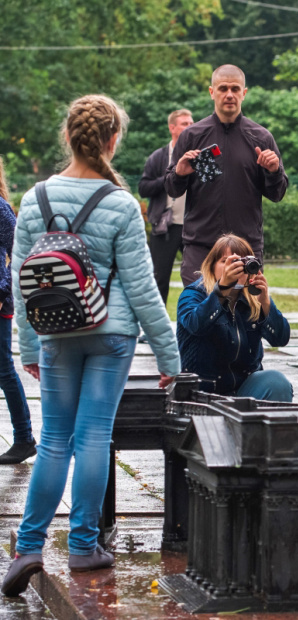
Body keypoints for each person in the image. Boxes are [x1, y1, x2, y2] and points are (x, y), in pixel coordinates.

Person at [1, 95, 180, 596]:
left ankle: (29, 547)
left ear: (69, 137)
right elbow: (144, 290)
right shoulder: (121, 203)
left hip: (56, 334)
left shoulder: (36, 198)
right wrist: (169, 357)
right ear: (112, 140)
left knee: (54, 440)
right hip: (111, 335)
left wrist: (29, 348)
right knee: (94, 437)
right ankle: (83, 546)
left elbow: (20, 281)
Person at [165, 65, 288, 285]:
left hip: (246, 246)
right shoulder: (192, 136)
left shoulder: (261, 137)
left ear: (244, 93)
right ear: (212, 92)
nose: (229, 94)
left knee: (244, 315)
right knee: (198, 314)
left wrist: (273, 171)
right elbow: (172, 189)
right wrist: (179, 173)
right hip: (200, 247)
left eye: (235, 88)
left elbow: (277, 194)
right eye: (223, 88)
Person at [176, 234, 292, 402]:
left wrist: (266, 303)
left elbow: (280, 339)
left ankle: (267, 428)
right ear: (212, 266)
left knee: (276, 382)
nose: (233, 268)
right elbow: (196, 325)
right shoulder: (194, 295)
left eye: (240, 263)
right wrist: (222, 289)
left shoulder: (251, 300)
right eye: (226, 261)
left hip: (242, 389)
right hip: (202, 393)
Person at [139, 108, 194, 304]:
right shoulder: (158, 157)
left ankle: (199, 323)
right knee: (159, 278)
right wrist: (172, 176)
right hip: (165, 226)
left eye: (191, 123)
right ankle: (156, 329)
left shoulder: (198, 155)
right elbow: (143, 188)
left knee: (198, 279)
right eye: (184, 124)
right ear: (172, 128)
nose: (190, 127)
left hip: (194, 226)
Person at [0, 156, 34, 465]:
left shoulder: (0, 209)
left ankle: (24, 438)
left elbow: (18, 253)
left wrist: (1, 290)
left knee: (3, 369)